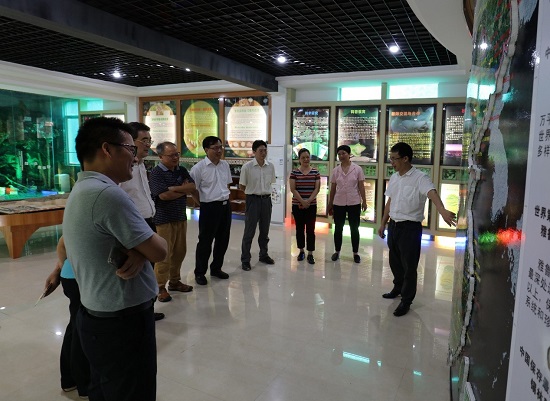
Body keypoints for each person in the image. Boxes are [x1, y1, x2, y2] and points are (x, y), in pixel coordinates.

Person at [62, 117, 167, 401]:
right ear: (107, 149)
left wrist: (138, 251)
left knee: (106, 389)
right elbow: (160, 251)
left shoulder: (82, 188)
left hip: (98, 315)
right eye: (130, 149)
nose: (135, 157)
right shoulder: (108, 195)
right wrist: (145, 250)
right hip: (123, 322)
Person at [378, 142, 456, 317]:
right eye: (390, 158)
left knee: (409, 266)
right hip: (394, 226)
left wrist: (442, 210)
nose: (392, 162)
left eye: (394, 159)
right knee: (395, 262)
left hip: (410, 228)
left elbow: (432, 193)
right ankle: (398, 288)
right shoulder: (395, 177)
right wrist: (383, 223)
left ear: (406, 158)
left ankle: (406, 300)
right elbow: (389, 202)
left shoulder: (420, 178)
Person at [119, 122, 169, 318]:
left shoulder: (141, 165)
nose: (148, 144)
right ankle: (138, 313)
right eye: (144, 140)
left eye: (150, 140)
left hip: (149, 222)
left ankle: (148, 309)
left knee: (149, 269)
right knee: (137, 272)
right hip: (134, 227)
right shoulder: (123, 168)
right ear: (130, 141)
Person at [43, 236, 90, 399]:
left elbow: (64, 243)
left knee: (76, 325)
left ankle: (70, 379)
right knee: (82, 329)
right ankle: (84, 383)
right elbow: (64, 242)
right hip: (82, 275)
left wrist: (61, 268)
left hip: (72, 273)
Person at [149, 141, 195, 301]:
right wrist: (183, 190)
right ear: (161, 156)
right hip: (163, 219)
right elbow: (163, 196)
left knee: (179, 252)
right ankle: (160, 286)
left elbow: (192, 187)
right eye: (171, 155)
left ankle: (175, 281)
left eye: (177, 154)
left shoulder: (181, 170)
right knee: (164, 254)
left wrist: (174, 188)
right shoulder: (156, 173)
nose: (176, 157)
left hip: (180, 217)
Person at [190, 136, 233, 285]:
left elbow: (227, 185)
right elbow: (193, 190)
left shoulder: (224, 165)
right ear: (206, 150)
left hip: (225, 206)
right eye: (215, 148)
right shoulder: (198, 168)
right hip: (209, 207)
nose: (219, 151)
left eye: (220, 147)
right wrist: (203, 204)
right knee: (205, 241)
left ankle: (216, 268)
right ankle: (200, 272)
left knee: (223, 240)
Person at [239, 140, 276, 271]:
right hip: (252, 200)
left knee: (265, 231)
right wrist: (253, 194)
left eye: (265, 150)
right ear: (254, 152)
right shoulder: (247, 167)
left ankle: (263, 255)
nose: (263, 153)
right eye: (261, 150)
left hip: (266, 200)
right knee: (249, 231)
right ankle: (245, 259)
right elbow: (242, 186)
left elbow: (271, 183)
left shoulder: (270, 166)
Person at [327, 144, 367, 263]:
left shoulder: (357, 169)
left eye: (343, 153)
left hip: (354, 202)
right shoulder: (336, 170)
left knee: (354, 228)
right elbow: (333, 188)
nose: (341, 156)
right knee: (338, 228)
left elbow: (361, 186)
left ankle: (355, 253)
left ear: (349, 154)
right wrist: (330, 203)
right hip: (338, 202)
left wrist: (364, 201)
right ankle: (337, 251)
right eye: (339, 154)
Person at [289, 148, 320, 264]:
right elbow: (293, 189)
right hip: (297, 205)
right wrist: (302, 201)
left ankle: (310, 253)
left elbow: (317, 188)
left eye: (307, 157)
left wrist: (308, 201)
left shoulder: (315, 172)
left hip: (311, 206)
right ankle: (301, 251)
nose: (306, 159)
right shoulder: (294, 173)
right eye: (303, 157)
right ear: (299, 159)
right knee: (299, 229)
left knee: (311, 230)